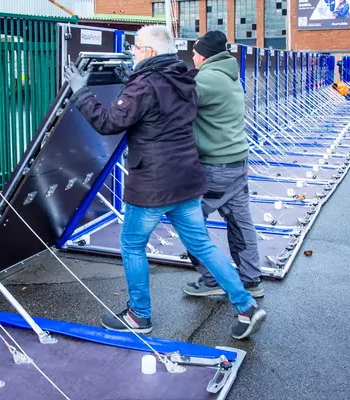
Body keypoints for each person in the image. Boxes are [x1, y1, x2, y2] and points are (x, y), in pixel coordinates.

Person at [63, 25, 267, 340]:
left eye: (136, 47)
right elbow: (159, 107)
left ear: (151, 53)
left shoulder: (145, 85)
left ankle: (138, 315)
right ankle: (246, 306)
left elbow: (109, 122)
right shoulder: (185, 78)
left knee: (132, 245)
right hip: (186, 179)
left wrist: (80, 90)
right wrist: (128, 76)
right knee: (202, 244)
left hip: (153, 184)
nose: (132, 51)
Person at [183, 30, 264, 299]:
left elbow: (172, 104)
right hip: (237, 162)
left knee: (188, 220)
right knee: (240, 222)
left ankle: (210, 279)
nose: (192, 57)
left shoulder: (206, 79)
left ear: (203, 54)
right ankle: (251, 279)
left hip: (215, 166)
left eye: (194, 53)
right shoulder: (230, 75)